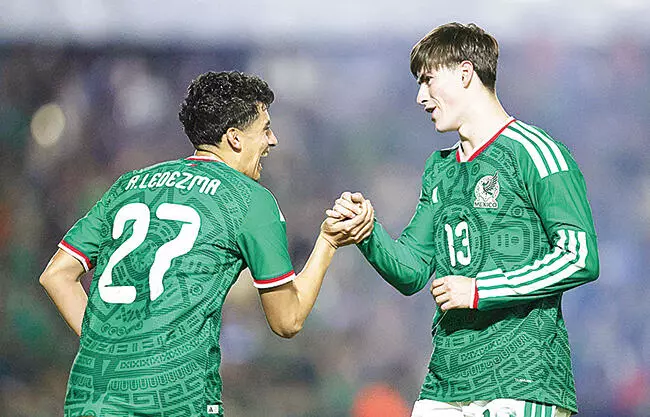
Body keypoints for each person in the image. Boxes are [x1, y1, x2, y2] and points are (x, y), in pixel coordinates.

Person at [39, 70, 374, 417]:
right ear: (234, 138)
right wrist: (328, 242)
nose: (273, 140)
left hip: (91, 397)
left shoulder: (129, 185)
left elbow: (57, 275)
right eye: (265, 129)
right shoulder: (249, 200)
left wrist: (111, 348)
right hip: (174, 401)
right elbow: (287, 319)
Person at [328, 23, 599, 417]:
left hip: (521, 382)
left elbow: (579, 257)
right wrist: (368, 233)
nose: (421, 97)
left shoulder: (536, 152)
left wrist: (479, 290)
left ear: (465, 73)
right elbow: (412, 271)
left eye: (428, 80)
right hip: (445, 383)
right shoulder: (439, 169)